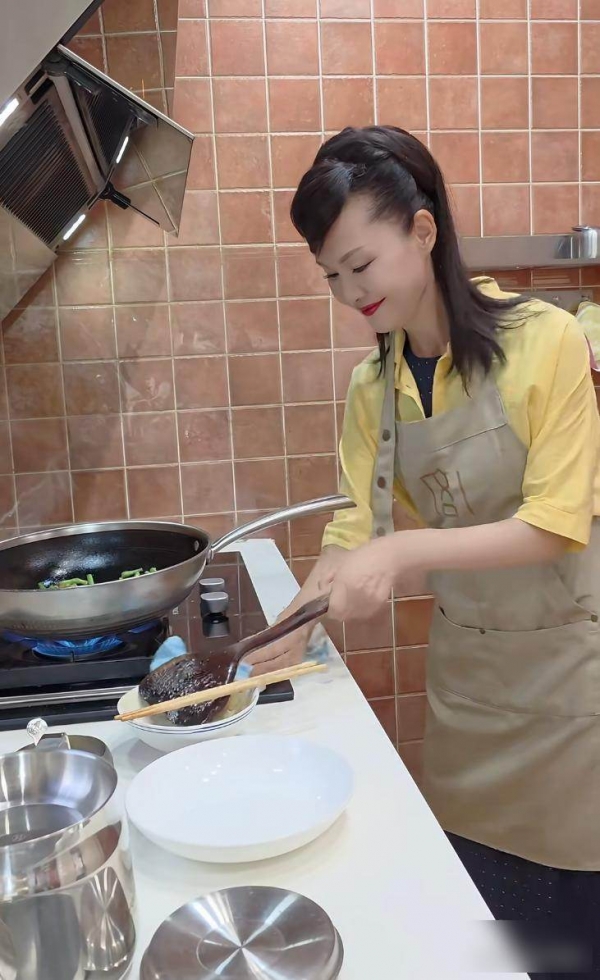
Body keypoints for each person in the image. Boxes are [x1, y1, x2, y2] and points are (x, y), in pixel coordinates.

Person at [245, 125, 600, 971]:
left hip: (571, 699)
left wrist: (405, 555)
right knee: (484, 941)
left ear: (423, 230)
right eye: (331, 277)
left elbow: (557, 522)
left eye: (360, 265)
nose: (349, 293)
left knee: (572, 945)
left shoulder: (545, 342)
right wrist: (281, 637)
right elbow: (352, 531)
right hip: (469, 705)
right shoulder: (374, 388)